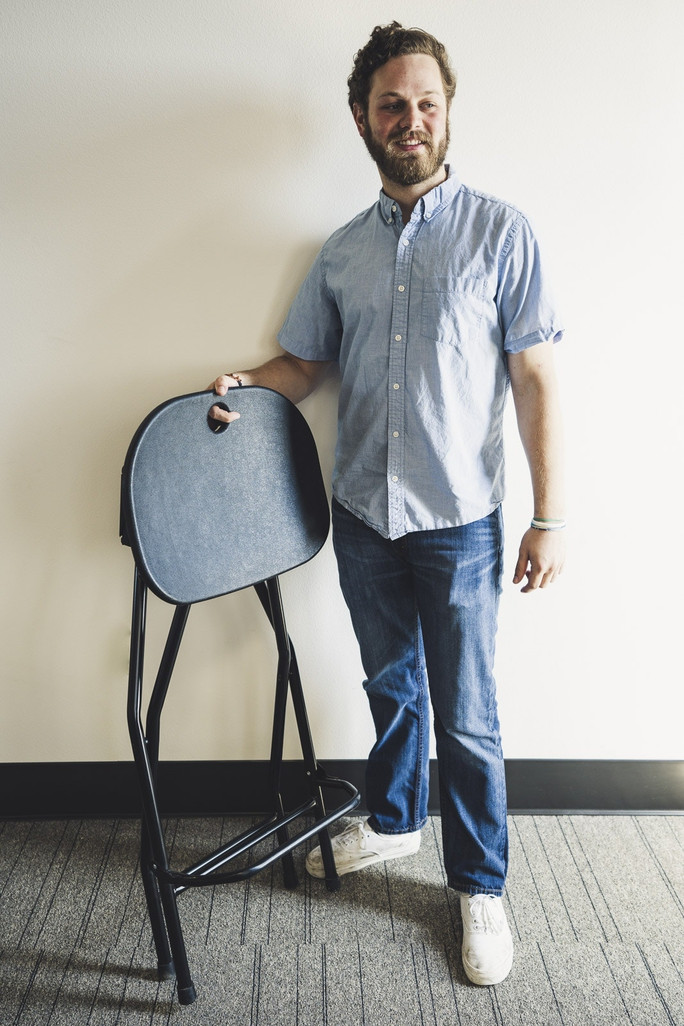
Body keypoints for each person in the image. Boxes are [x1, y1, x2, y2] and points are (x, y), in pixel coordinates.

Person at [209, 22, 565, 987]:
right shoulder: (338, 254)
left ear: (447, 113)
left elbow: (535, 380)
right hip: (363, 514)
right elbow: (306, 363)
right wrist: (247, 385)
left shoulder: (501, 232)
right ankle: (399, 821)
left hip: (461, 523)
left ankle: (480, 887)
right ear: (363, 120)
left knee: (470, 715)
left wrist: (550, 516)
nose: (411, 121)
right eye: (391, 106)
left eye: (426, 103)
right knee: (392, 688)